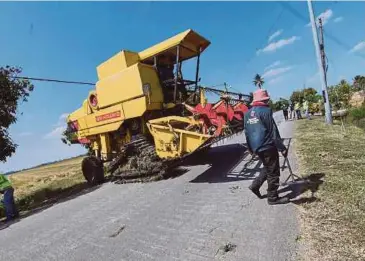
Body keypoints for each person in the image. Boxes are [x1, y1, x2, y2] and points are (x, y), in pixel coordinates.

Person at [244, 89, 289, 205]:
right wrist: (282, 148)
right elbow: (273, 131)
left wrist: (250, 148)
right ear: (265, 100)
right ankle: (273, 198)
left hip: (256, 147)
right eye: (267, 99)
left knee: (268, 167)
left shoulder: (247, 114)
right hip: (268, 145)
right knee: (273, 171)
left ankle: (255, 185)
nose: (268, 100)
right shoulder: (266, 111)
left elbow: (247, 132)